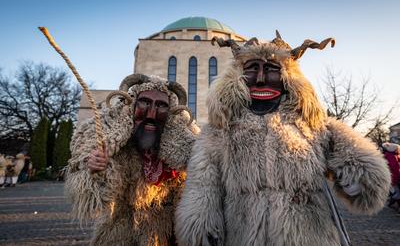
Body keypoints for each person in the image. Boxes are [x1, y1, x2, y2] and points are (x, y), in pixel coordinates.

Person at [175, 32, 391, 246]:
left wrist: (361, 177)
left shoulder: (313, 127)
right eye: (252, 69)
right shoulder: (218, 131)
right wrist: (201, 229)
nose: (260, 79)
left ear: (288, 77)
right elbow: (203, 188)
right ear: (236, 76)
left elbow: (367, 182)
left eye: (271, 69)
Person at [65, 74, 198, 246]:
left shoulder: (184, 147)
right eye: (144, 102)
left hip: (169, 235)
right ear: (132, 105)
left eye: (161, 105)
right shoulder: (116, 146)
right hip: (120, 234)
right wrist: (96, 169)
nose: (152, 114)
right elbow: (91, 195)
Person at [382, 142, 400, 211]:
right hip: (395, 176)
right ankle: (392, 203)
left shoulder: (389, 155)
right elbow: (394, 168)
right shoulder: (394, 156)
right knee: (395, 191)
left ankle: (393, 203)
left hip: (392, 176)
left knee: (395, 191)